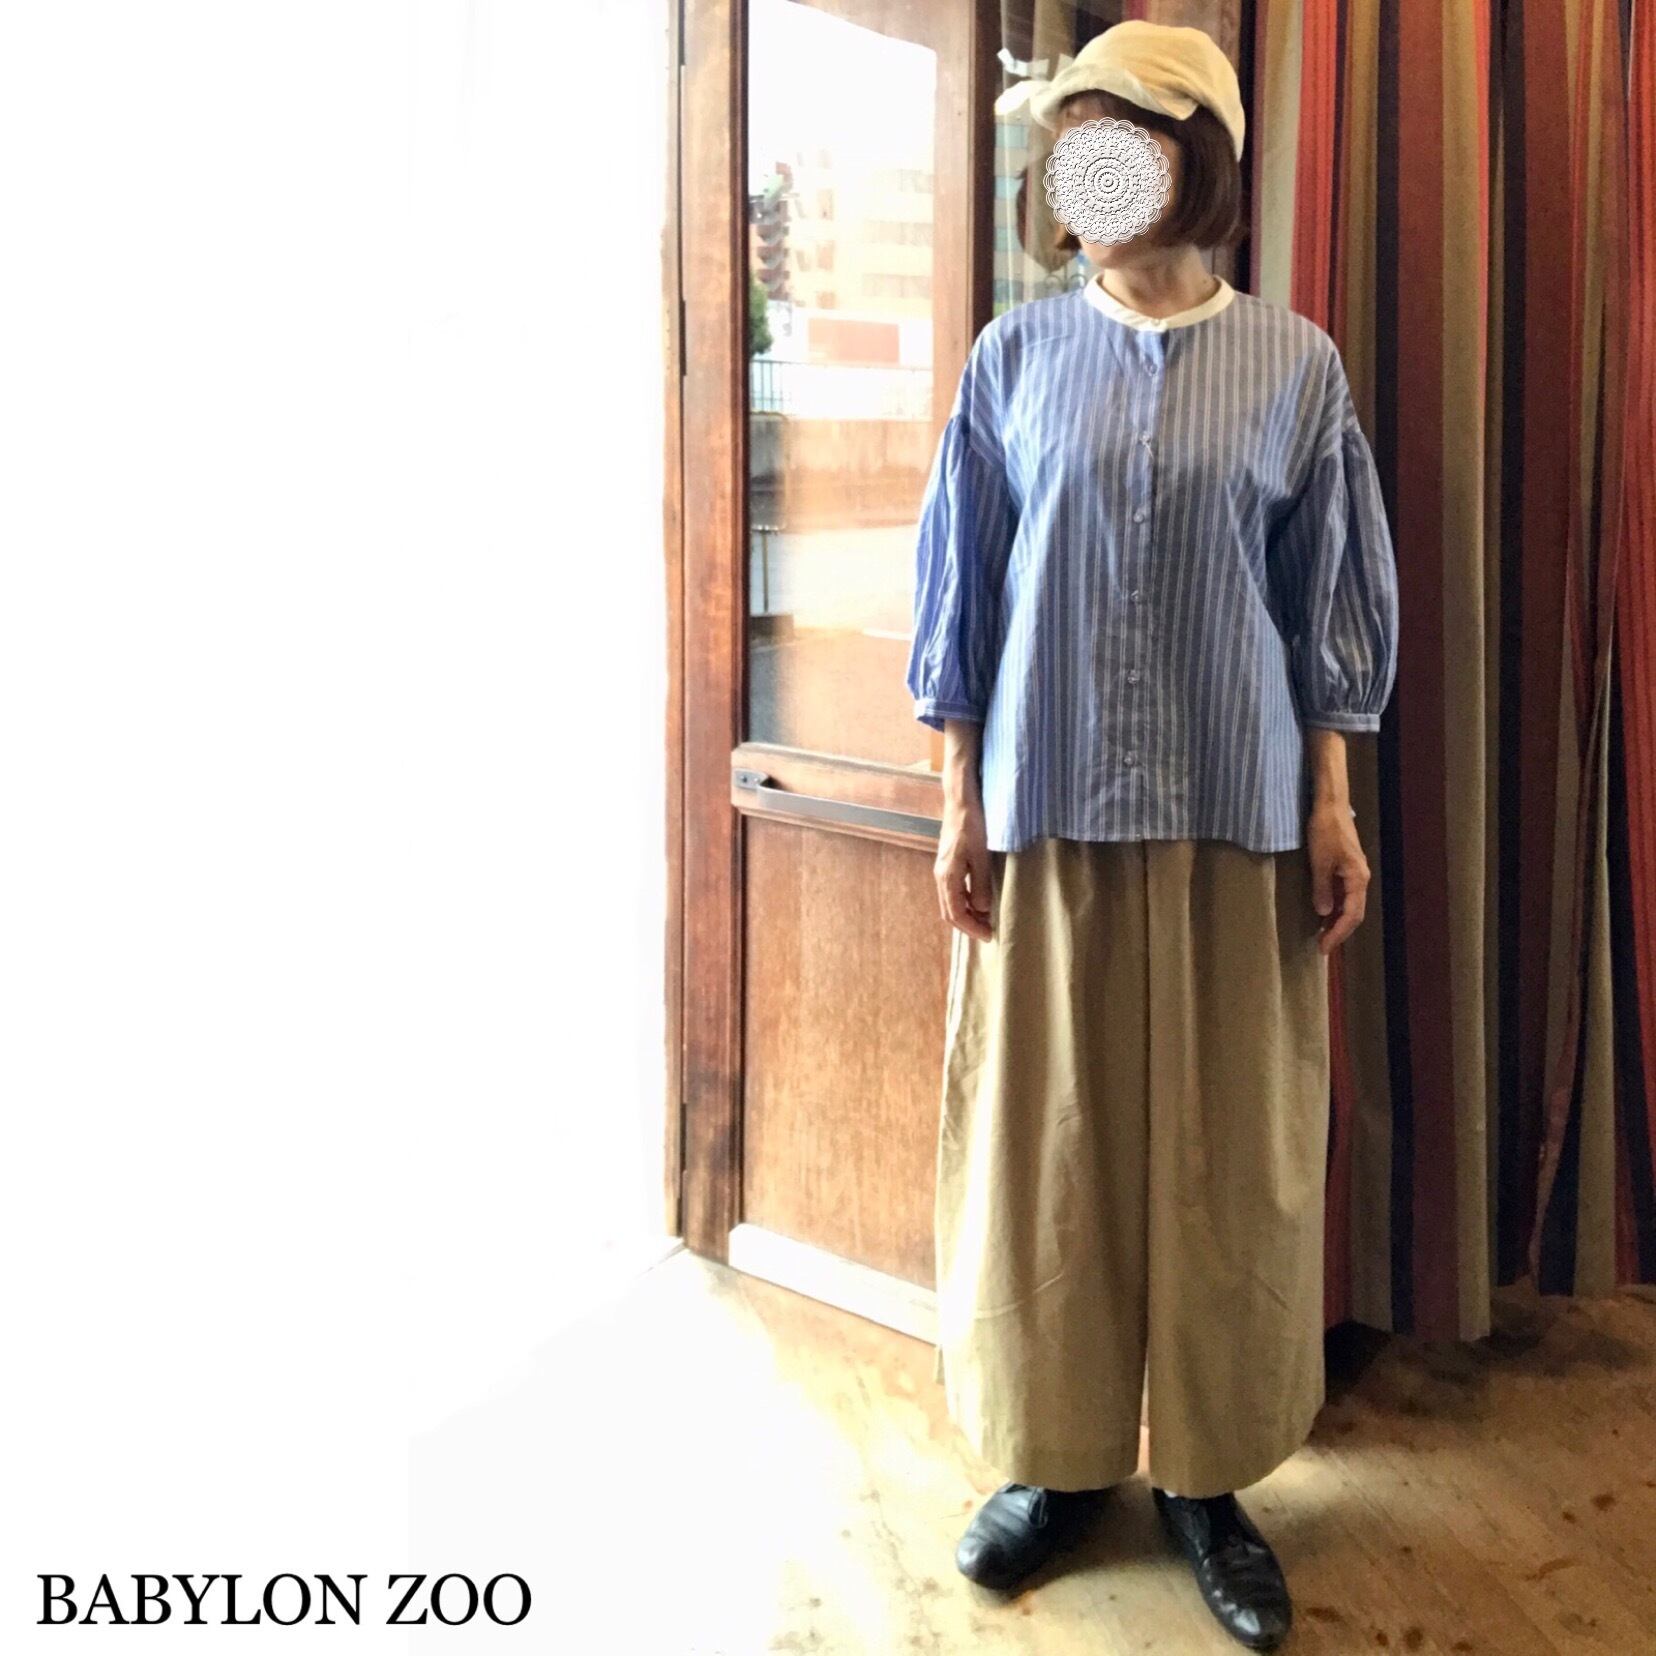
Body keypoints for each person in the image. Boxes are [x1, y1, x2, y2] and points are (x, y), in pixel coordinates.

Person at [904, 20, 1400, 1653]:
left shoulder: (1297, 368)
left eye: (1123, 143)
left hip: (1234, 814)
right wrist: (959, 798)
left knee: (1222, 1160)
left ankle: (1205, 1476)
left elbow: (1323, 609)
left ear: (1198, 162)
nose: (1091, 177)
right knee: (1046, 1151)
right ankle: (1053, 1459)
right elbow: (966, 597)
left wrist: (1332, 808)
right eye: (1075, 150)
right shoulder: (1013, 362)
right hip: (1047, 804)